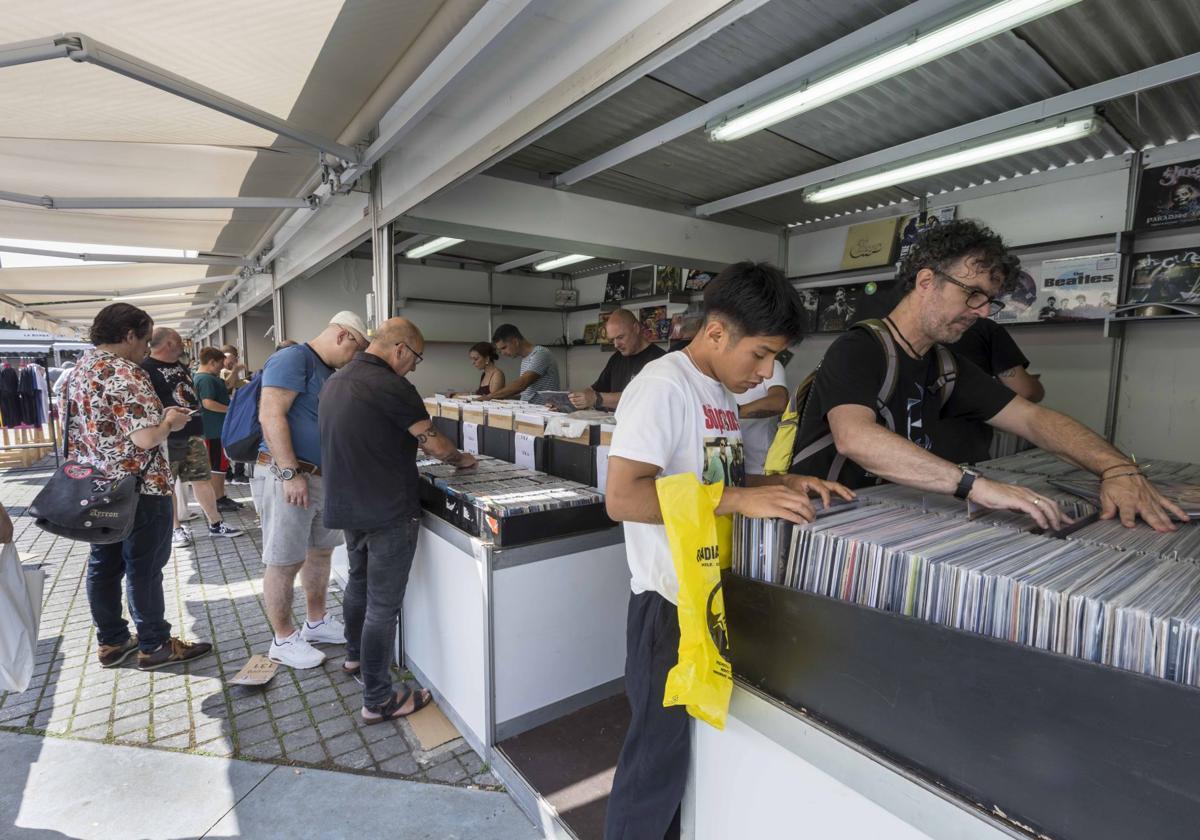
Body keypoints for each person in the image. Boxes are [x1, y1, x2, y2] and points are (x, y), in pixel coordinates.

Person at [603, 262, 853, 839]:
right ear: (716, 333)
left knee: (681, 762)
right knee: (653, 763)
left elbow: (714, 478)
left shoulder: (716, 389)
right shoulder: (662, 386)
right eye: (761, 355)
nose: (766, 374)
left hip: (706, 593)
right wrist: (740, 500)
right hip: (668, 607)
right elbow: (623, 497)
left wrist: (779, 484)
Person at [787, 219, 1188, 533]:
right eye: (972, 293)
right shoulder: (859, 347)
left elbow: (1033, 419)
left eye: (989, 301)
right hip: (824, 525)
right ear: (927, 282)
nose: (981, 311)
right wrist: (975, 485)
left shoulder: (945, 364)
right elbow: (854, 437)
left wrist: (1117, 469)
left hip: (885, 520)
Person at [320, 317, 477, 722]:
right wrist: (462, 459)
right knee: (383, 607)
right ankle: (378, 699)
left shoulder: (338, 379)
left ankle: (354, 658)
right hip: (387, 508)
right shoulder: (393, 386)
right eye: (416, 359)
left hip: (348, 504)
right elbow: (435, 444)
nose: (413, 367)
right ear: (401, 350)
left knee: (358, 584)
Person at [67, 304, 213, 670]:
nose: (146, 350)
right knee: (144, 567)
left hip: (96, 482)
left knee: (103, 564)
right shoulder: (123, 372)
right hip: (140, 485)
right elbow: (146, 438)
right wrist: (171, 422)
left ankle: (112, 641)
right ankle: (155, 644)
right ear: (129, 335)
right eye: (145, 340)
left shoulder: (82, 368)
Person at [254, 311, 369, 669]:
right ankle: (283, 638)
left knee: (320, 552)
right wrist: (290, 473)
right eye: (356, 350)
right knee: (284, 558)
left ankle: (316, 621)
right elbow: (271, 414)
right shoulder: (293, 358)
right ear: (342, 337)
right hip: (291, 475)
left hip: (322, 478)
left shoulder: (326, 370)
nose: (355, 359)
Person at [140, 328, 243, 547]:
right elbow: (144, 406)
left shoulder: (180, 366)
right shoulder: (145, 369)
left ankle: (215, 523)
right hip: (167, 436)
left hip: (193, 433)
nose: (183, 346)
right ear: (169, 343)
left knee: (201, 478)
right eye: (179, 342)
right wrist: (167, 417)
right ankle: (175, 529)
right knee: (169, 483)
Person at [942, 311, 1044, 465]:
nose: (985, 309)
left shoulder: (896, 329)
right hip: (962, 453)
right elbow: (1025, 391)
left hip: (903, 456)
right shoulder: (982, 328)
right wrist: (1038, 387)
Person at [569, 308, 665, 410]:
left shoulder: (660, 360)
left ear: (636, 328)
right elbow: (594, 390)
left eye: (620, 337)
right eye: (612, 339)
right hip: (613, 424)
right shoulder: (617, 357)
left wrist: (597, 399)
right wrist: (572, 401)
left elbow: (642, 398)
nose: (616, 345)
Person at [193, 347, 234, 509]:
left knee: (220, 464)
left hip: (213, 429)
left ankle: (220, 496)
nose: (221, 368)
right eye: (219, 364)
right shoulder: (206, 380)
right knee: (218, 465)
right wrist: (232, 410)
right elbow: (208, 403)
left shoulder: (206, 377)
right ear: (212, 362)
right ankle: (218, 498)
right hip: (213, 430)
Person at [734, 358, 788, 474]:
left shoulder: (769, 365)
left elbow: (779, 402)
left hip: (761, 469)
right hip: (729, 469)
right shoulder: (712, 372)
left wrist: (731, 412)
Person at [486, 323, 560, 402]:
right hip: (530, 410)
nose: (503, 353)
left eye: (504, 348)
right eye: (500, 350)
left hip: (544, 411)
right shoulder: (525, 358)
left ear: (515, 342)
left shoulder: (540, 353)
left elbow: (522, 384)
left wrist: (490, 396)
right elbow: (526, 392)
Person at [221, 345, 250, 485]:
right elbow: (229, 385)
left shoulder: (228, 371)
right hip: (229, 413)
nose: (234, 362)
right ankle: (235, 474)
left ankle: (233, 473)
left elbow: (240, 384)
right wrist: (236, 370)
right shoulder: (224, 372)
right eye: (232, 359)